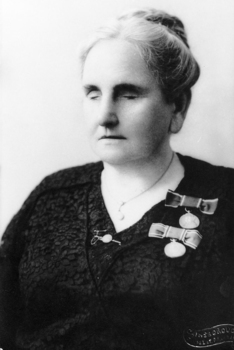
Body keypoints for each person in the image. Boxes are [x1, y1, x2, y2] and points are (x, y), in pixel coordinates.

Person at [0, 7, 234, 350]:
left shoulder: (226, 199)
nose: (105, 116)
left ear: (178, 106)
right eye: (93, 93)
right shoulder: (50, 196)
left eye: (128, 94)